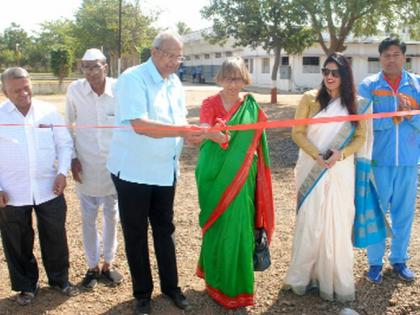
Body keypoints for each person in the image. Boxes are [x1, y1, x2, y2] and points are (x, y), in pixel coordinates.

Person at [107, 31, 203, 315]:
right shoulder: (132, 79)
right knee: (136, 233)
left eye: (179, 57)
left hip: (164, 171)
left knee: (165, 229)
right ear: (154, 51)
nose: (174, 62)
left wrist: (196, 135)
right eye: (170, 56)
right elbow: (141, 125)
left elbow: (179, 123)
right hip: (134, 172)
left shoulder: (174, 82)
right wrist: (185, 131)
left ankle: (171, 287)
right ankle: (142, 294)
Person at [285, 53, 367, 302]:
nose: (329, 77)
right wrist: (316, 154)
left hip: (340, 168)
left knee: (337, 222)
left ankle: (332, 279)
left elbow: (360, 138)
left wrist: (340, 154)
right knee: (310, 220)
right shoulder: (309, 98)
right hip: (312, 165)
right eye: (325, 71)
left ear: (345, 75)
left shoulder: (356, 103)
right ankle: (304, 276)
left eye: (335, 72)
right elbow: (297, 133)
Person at [195, 57, 275, 309]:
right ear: (220, 78)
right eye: (229, 77)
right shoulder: (209, 103)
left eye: (238, 78)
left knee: (240, 227)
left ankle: (238, 289)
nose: (233, 83)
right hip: (214, 172)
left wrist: (231, 138)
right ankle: (215, 281)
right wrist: (217, 135)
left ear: (244, 79)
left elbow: (257, 139)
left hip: (243, 174)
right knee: (216, 225)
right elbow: (204, 131)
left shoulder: (250, 106)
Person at [0, 67, 79, 305]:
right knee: (17, 240)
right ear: (5, 91)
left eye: (26, 87)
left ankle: (59, 279)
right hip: (11, 192)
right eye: (16, 90)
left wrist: (62, 172)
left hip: (49, 188)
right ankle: (26, 285)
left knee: (55, 235)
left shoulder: (49, 112)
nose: (23, 93)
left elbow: (64, 144)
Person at [359, 37, 420, 284]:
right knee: (376, 213)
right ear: (380, 58)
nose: (391, 59)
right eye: (386, 55)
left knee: (404, 213)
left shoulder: (416, 85)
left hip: (408, 161)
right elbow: (362, 121)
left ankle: (399, 259)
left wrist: (409, 114)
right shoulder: (369, 86)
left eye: (396, 54)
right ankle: (374, 263)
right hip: (378, 161)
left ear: (404, 57)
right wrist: (393, 116)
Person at [66, 48, 123, 289]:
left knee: (112, 216)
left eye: (95, 66)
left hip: (114, 167)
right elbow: (68, 126)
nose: (90, 71)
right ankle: (91, 266)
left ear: (106, 67)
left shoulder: (119, 89)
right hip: (86, 165)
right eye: (85, 66)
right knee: (88, 218)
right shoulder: (75, 90)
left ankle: (108, 264)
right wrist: (72, 158)